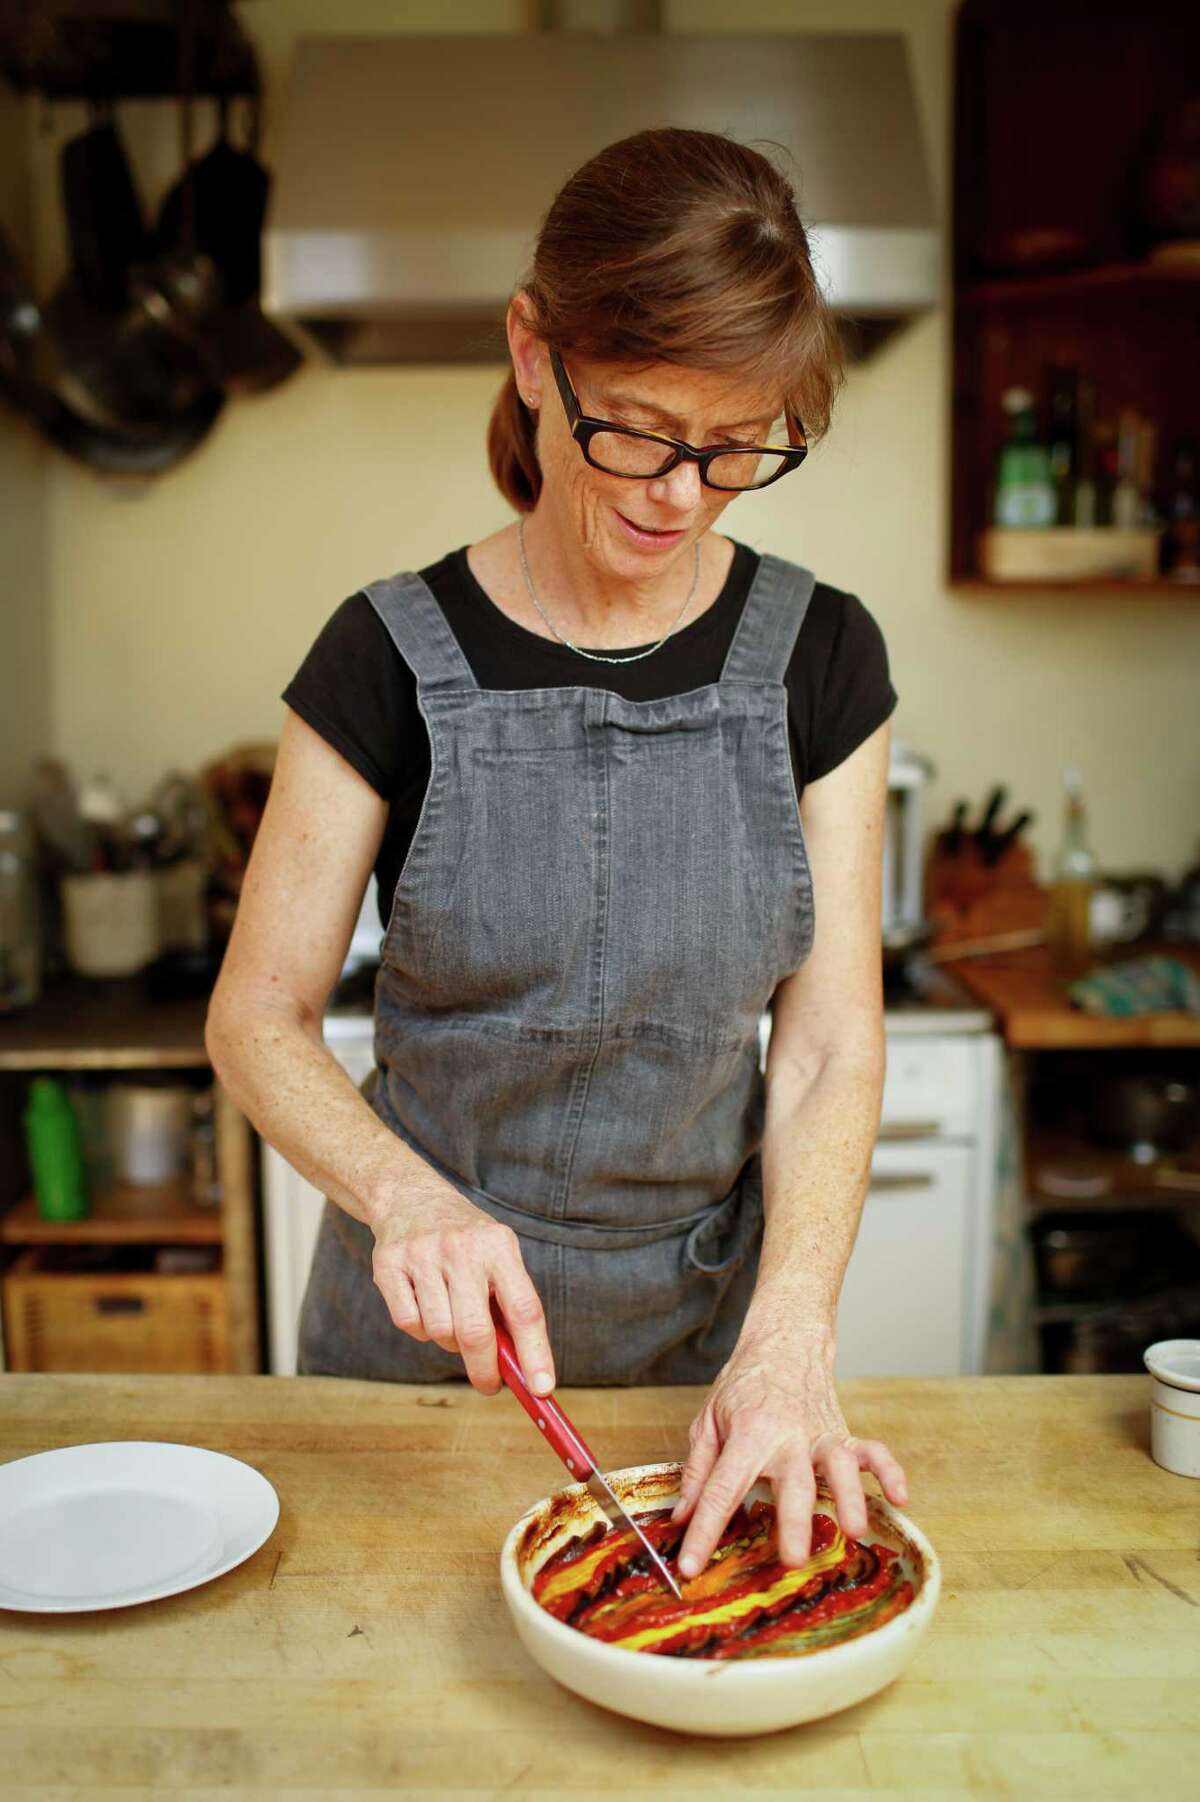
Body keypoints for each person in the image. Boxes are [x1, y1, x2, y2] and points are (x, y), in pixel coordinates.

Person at [206, 125, 908, 1582]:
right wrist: (406, 1196)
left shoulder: (821, 656)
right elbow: (254, 1018)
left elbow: (831, 1038)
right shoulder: (384, 653)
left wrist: (790, 1338)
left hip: (699, 1381)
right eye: (640, 429)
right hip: (414, 1364)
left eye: (735, 448)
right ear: (535, 354)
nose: (679, 493)